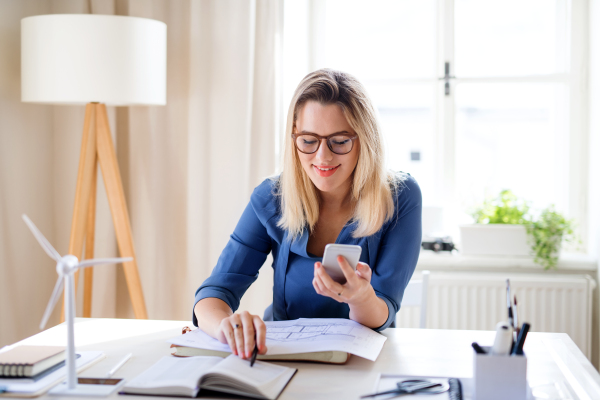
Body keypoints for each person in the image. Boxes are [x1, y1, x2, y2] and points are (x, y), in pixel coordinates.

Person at [193, 69, 422, 360]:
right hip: (279, 357)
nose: (322, 157)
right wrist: (227, 327)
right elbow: (214, 292)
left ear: (364, 140)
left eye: (339, 141)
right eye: (308, 140)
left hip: (360, 364)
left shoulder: (400, 196)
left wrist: (362, 298)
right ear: (294, 138)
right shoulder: (271, 197)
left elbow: (382, 312)